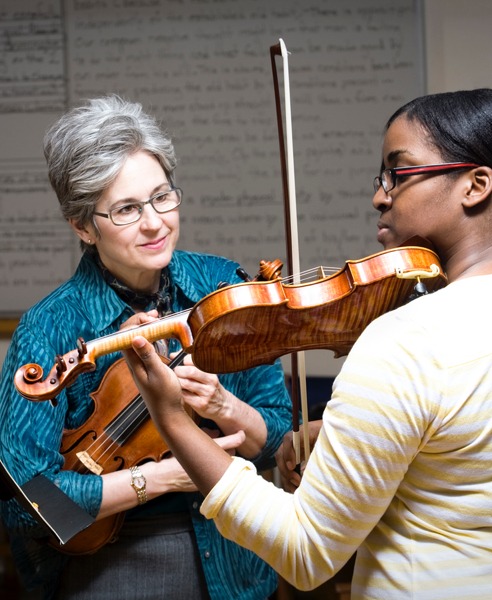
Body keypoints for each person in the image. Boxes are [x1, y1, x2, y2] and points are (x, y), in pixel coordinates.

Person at [123, 89, 492, 599]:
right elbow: (491, 441)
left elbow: (305, 553)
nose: (380, 195)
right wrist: (344, 433)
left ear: (475, 185)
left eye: (399, 173)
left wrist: (170, 416)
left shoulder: (407, 338)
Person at [0, 96, 292, 600]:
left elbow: (275, 443)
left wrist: (225, 407)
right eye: (127, 209)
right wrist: (160, 480)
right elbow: (27, 502)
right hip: (121, 560)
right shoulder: (49, 328)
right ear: (82, 226)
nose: (156, 222)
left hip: (237, 554)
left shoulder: (222, 287)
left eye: (162, 197)